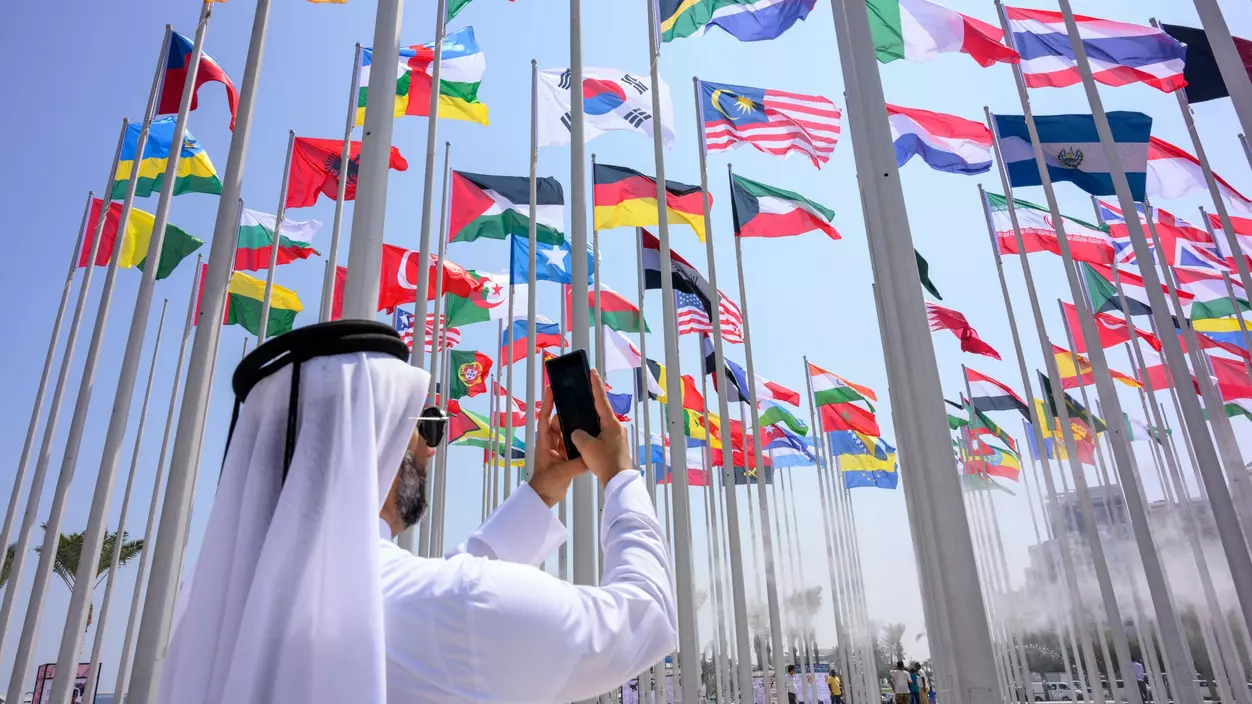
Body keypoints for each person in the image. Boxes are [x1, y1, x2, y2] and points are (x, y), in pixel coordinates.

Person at [153, 322, 678, 704]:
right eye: (425, 425)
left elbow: (440, 595)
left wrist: (541, 489)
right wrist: (619, 475)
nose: (433, 448)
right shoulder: (448, 612)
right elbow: (643, 616)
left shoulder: (220, 609)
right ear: (368, 440)